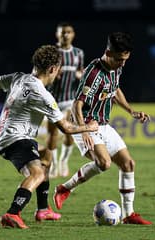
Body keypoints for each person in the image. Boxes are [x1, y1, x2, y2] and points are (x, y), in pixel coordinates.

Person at [0, 45, 98, 229]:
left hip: (7, 136)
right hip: (16, 139)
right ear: (52, 69)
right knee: (38, 173)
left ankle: (43, 209)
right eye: (57, 71)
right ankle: (12, 213)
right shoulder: (43, 95)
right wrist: (88, 127)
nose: (57, 75)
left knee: (47, 156)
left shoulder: (18, 77)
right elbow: (66, 127)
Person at [53, 32, 152, 225]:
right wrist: (83, 130)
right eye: (119, 59)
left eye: (125, 59)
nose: (122, 64)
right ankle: (65, 188)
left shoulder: (116, 67)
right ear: (108, 52)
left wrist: (131, 111)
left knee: (128, 164)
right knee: (104, 163)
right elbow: (76, 105)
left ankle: (128, 214)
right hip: (86, 123)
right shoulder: (93, 73)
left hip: (103, 124)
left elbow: (115, 89)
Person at [47, 22, 85, 178]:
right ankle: (54, 165)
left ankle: (63, 161)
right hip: (52, 100)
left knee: (69, 133)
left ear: (73, 34)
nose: (65, 35)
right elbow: (45, 76)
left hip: (70, 99)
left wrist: (80, 75)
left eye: (68, 32)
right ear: (57, 34)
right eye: (62, 32)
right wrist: (54, 75)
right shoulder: (52, 52)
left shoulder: (78, 53)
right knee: (53, 134)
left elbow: (81, 73)